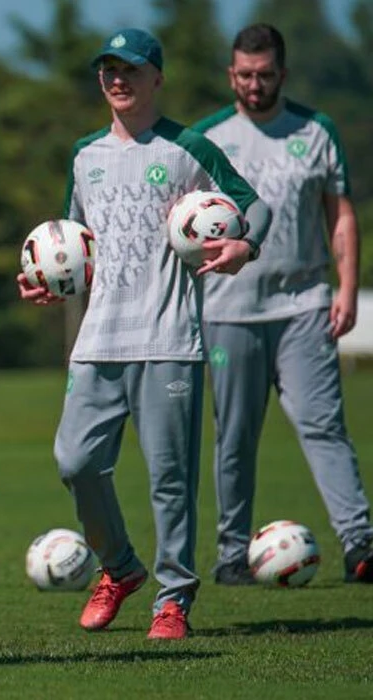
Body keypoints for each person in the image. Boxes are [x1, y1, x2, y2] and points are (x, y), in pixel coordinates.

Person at [17, 28, 270, 639]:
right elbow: (70, 242)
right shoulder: (84, 156)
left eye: (130, 69)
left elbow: (252, 204)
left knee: (170, 480)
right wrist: (49, 281)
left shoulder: (188, 147)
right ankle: (121, 568)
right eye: (108, 70)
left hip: (169, 341)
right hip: (98, 341)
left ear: (158, 77)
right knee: (74, 461)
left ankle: (173, 598)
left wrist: (242, 244)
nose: (118, 80)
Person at [193, 24, 372, 585]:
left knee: (323, 425)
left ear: (282, 74)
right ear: (231, 75)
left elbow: (339, 214)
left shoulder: (316, 131)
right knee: (236, 435)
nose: (254, 85)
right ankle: (230, 556)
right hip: (228, 309)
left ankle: (360, 543)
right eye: (244, 75)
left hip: (304, 304)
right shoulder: (206, 138)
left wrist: (345, 289)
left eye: (265, 75)